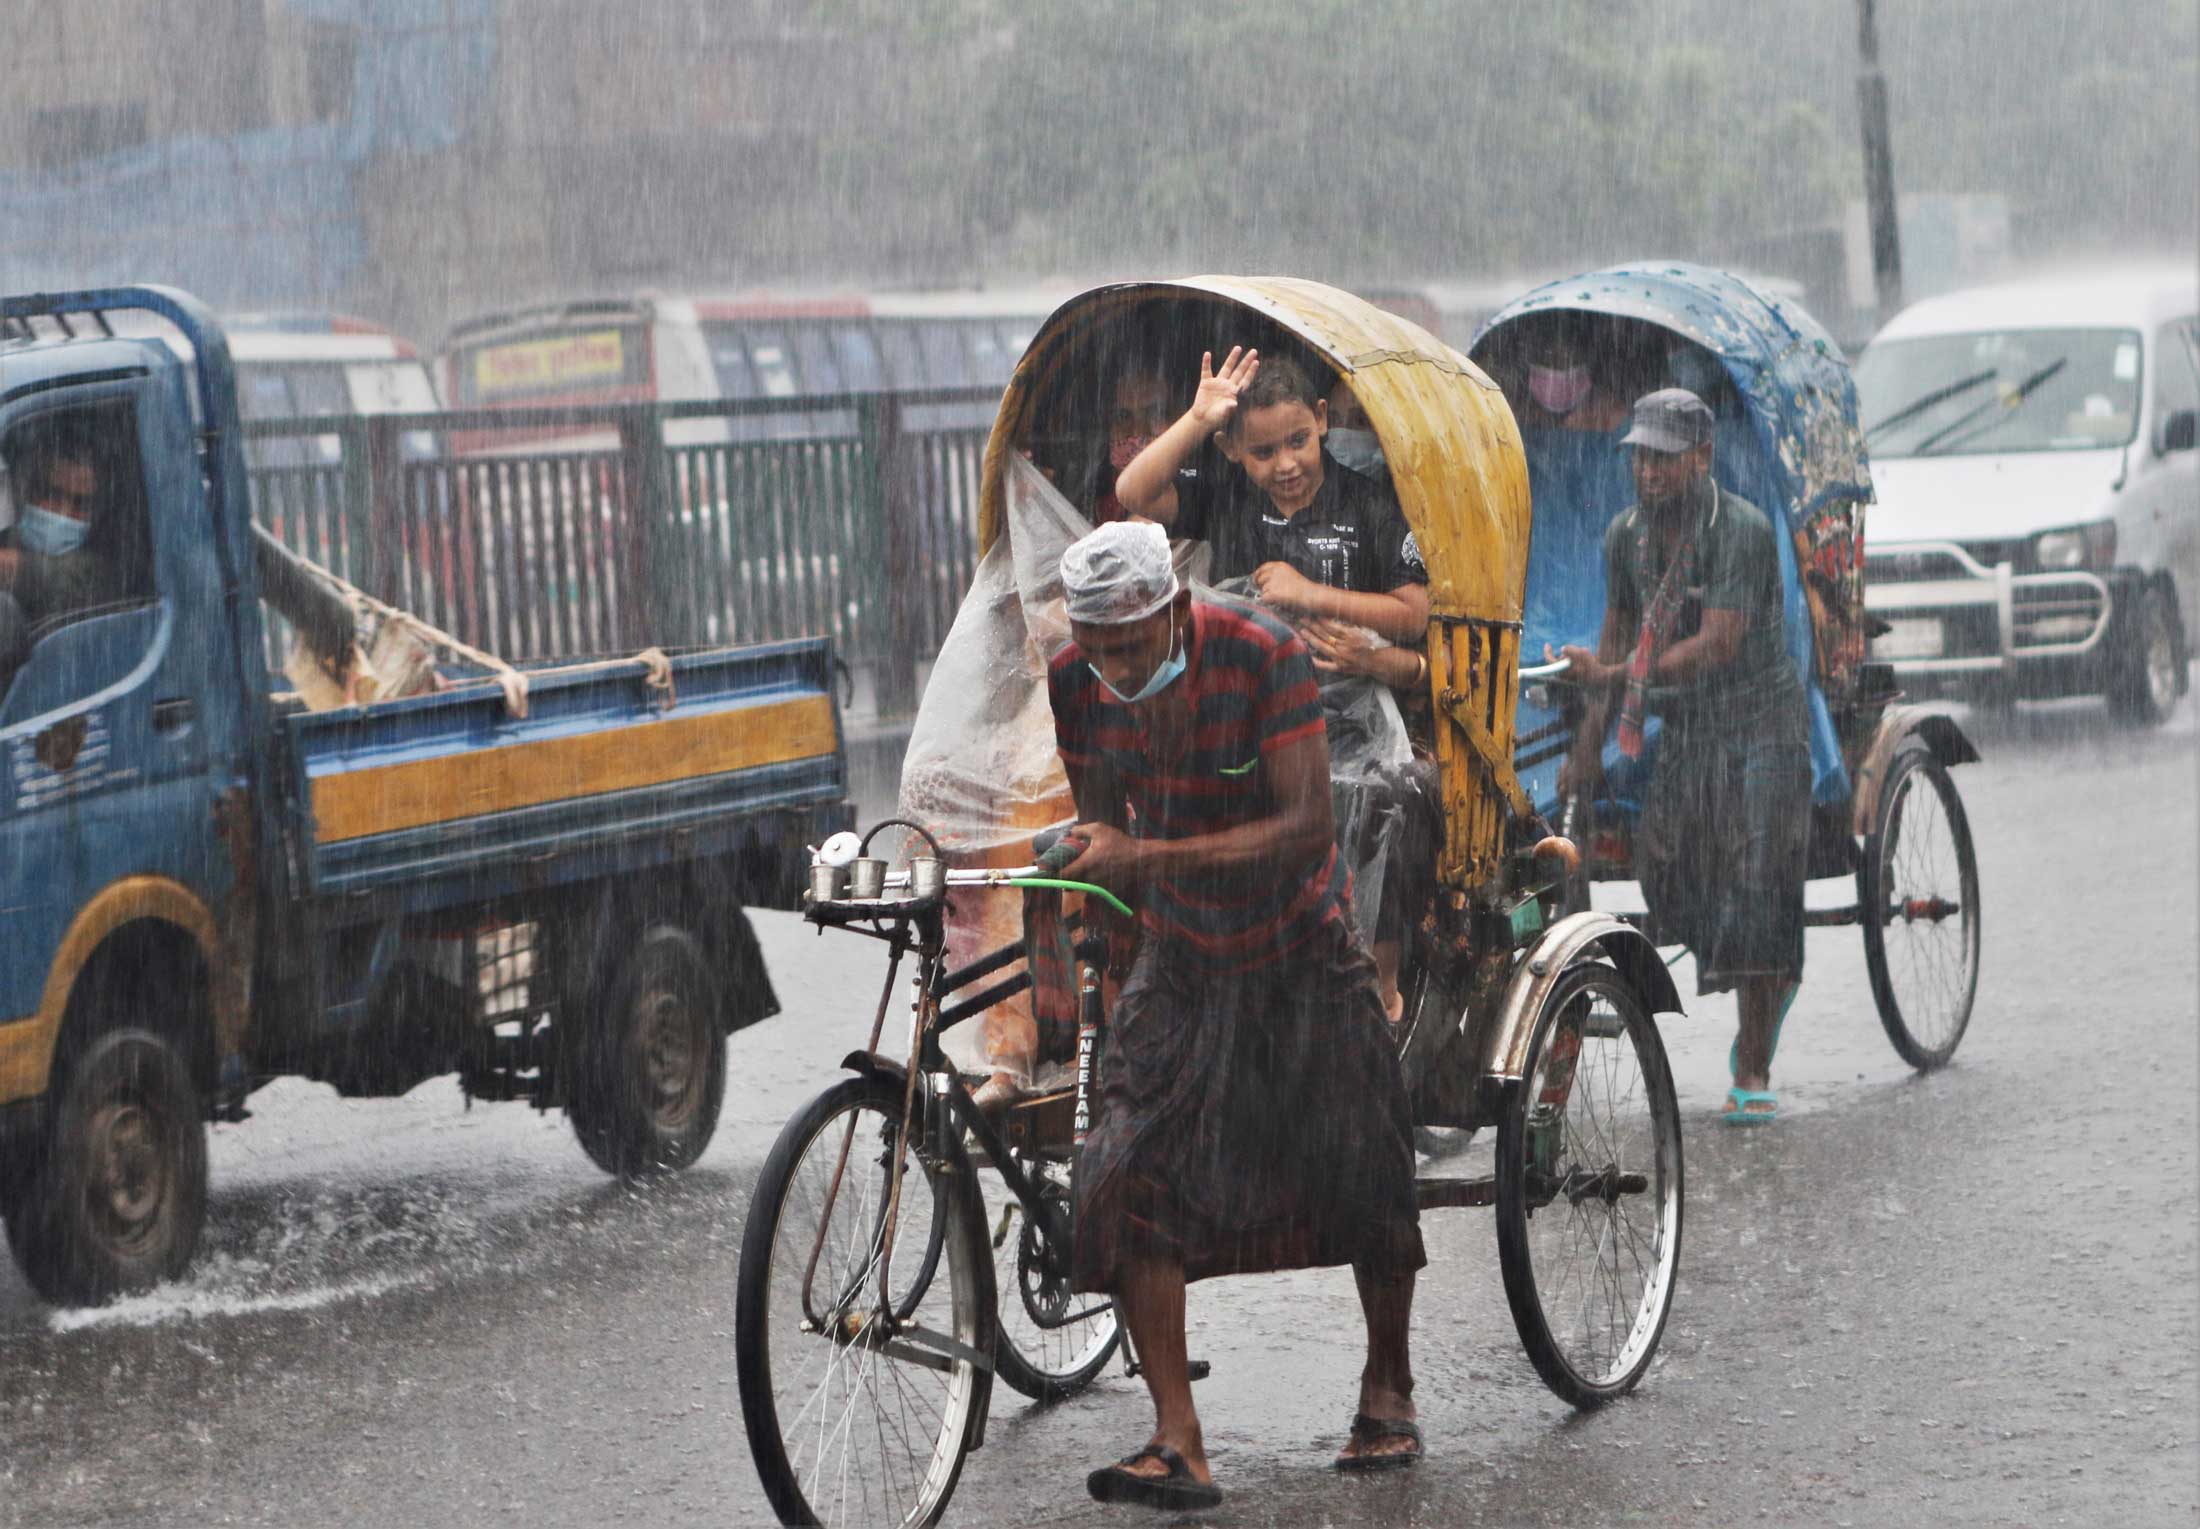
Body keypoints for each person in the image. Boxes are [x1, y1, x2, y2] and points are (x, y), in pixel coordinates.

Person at [1047, 521, 1427, 1507]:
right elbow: (1104, 831)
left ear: (1175, 607)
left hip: (1298, 940)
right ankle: (1177, 1438)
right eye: (1100, 644)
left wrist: (1145, 862)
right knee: (1124, 1165)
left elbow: (1304, 829)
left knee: (1370, 1151)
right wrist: (1100, 951)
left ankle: (1387, 1384)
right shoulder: (1076, 681)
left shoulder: (1260, 653)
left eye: (1133, 639)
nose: (1118, 663)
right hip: (1178, 953)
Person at [1554, 389, 1810, 1125]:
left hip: (1762, 719)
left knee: (1760, 877)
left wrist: (1619, 675)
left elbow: (1716, 644)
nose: (1650, 470)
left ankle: (1754, 1054)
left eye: (1667, 457)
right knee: (1662, 870)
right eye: (1641, 456)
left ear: (1702, 457)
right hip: (1692, 727)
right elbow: (1613, 639)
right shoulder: (1624, 538)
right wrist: (1586, 751)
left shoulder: (1743, 531)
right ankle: (1754, 962)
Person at [1114, 349, 1428, 643]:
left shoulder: (1369, 504)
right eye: (1264, 452)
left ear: (1320, 418)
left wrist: (1311, 595)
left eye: (1298, 441)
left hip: (1343, 692)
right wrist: (1198, 420)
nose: (1286, 464)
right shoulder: (1225, 498)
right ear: (1231, 449)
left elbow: (1414, 615)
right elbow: (1132, 492)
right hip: (1247, 687)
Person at [0, 442, 118, 667]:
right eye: (52, 494)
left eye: (80, 504)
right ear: (25, 491)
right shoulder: (7, 536)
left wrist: (17, 567)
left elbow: (60, 576)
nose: (64, 513)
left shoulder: (99, 571)